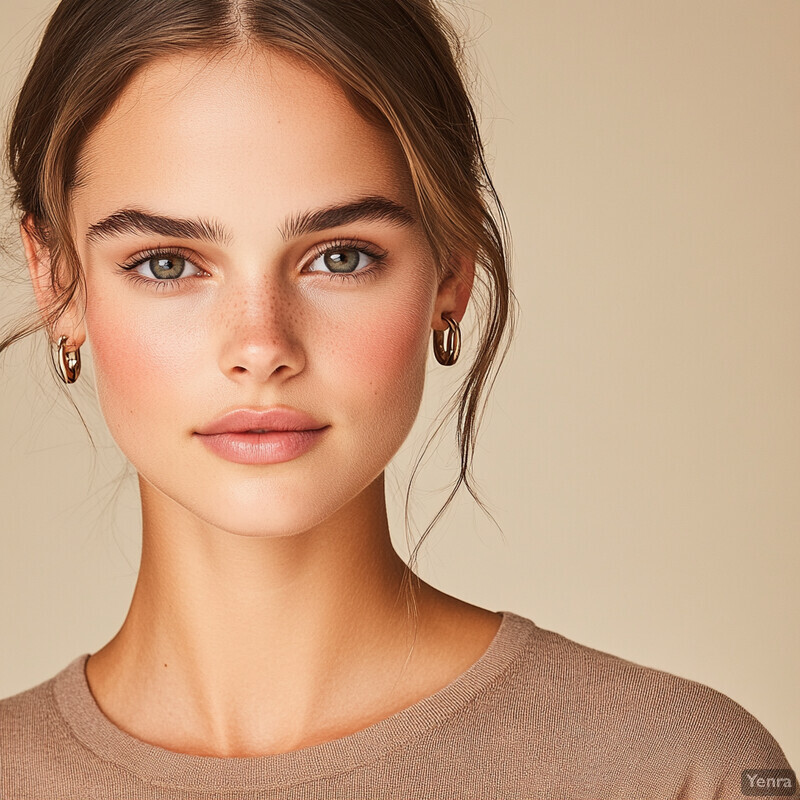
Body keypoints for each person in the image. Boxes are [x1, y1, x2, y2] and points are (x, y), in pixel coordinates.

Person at [0, 0, 794, 797]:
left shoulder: (676, 770)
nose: (261, 347)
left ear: (451, 269)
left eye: (340, 257)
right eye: (168, 264)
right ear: (57, 279)